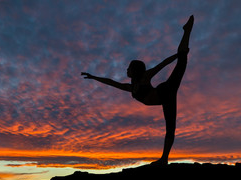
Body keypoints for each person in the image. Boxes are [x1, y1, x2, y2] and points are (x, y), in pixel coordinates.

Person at [81, 15, 194, 165]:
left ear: (135, 70)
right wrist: (93, 77)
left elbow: (162, 64)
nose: (126, 70)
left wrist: (177, 55)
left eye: (129, 68)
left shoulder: (145, 77)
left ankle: (186, 32)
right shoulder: (131, 88)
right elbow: (111, 82)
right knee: (170, 128)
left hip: (167, 91)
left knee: (181, 62)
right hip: (164, 98)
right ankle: (164, 159)